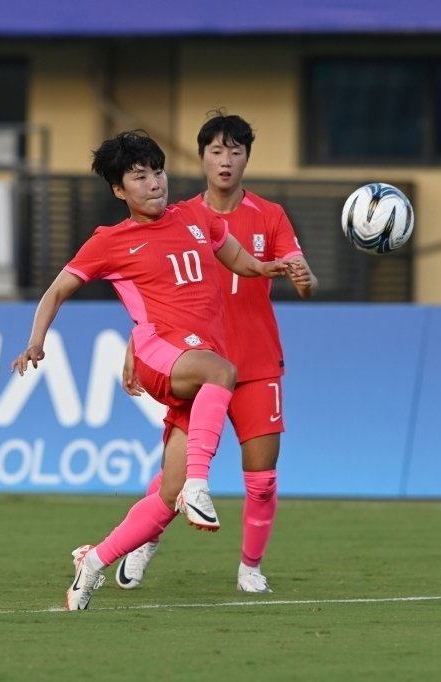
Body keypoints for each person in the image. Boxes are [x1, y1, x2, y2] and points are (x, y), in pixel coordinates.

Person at [10, 129, 289, 610]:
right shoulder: (110, 242)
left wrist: (266, 269)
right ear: (120, 190)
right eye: (139, 177)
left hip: (195, 360)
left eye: (157, 172)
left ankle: (93, 563)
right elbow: (56, 291)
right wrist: (36, 340)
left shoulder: (196, 215)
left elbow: (234, 256)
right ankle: (200, 487)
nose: (154, 183)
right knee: (223, 372)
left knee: (164, 496)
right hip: (161, 355)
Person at [112, 112, 318, 594]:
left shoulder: (271, 216)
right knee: (174, 476)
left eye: (236, 151)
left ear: (247, 158)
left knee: (262, 479)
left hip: (256, 361)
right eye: (216, 151)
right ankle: (141, 547)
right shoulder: (177, 215)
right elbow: (154, 294)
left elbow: (299, 274)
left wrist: (303, 279)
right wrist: (133, 347)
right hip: (196, 361)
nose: (226, 161)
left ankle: (250, 568)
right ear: (201, 157)